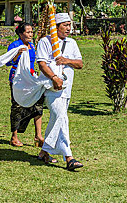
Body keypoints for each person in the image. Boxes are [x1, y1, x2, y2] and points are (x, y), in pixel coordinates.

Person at [36, 12, 84, 170]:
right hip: (51, 88)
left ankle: (44, 152)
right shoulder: (45, 41)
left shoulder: (72, 43)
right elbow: (42, 64)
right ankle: (68, 157)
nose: (69, 28)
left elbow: (80, 64)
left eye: (70, 25)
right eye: (65, 25)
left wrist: (66, 60)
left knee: (57, 119)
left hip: (67, 89)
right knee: (61, 117)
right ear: (55, 27)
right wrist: (53, 78)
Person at [6, 22, 45, 148]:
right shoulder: (15, 45)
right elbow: (8, 62)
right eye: (28, 32)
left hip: (32, 79)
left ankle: (38, 135)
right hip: (18, 80)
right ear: (21, 34)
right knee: (17, 106)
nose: (30, 34)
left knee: (38, 104)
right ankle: (14, 136)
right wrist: (18, 53)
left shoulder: (32, 46)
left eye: (31, 32)